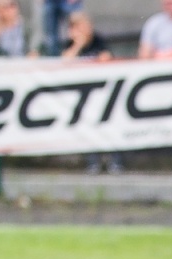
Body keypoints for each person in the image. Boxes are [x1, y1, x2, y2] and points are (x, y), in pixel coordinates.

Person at [63, 13, 123, 174]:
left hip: (102, 94)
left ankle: (114, 161)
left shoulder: (98, 41)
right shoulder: (70, 44)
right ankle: (93, 162)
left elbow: (107, 58)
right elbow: (63, 63)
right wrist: (77, 46)